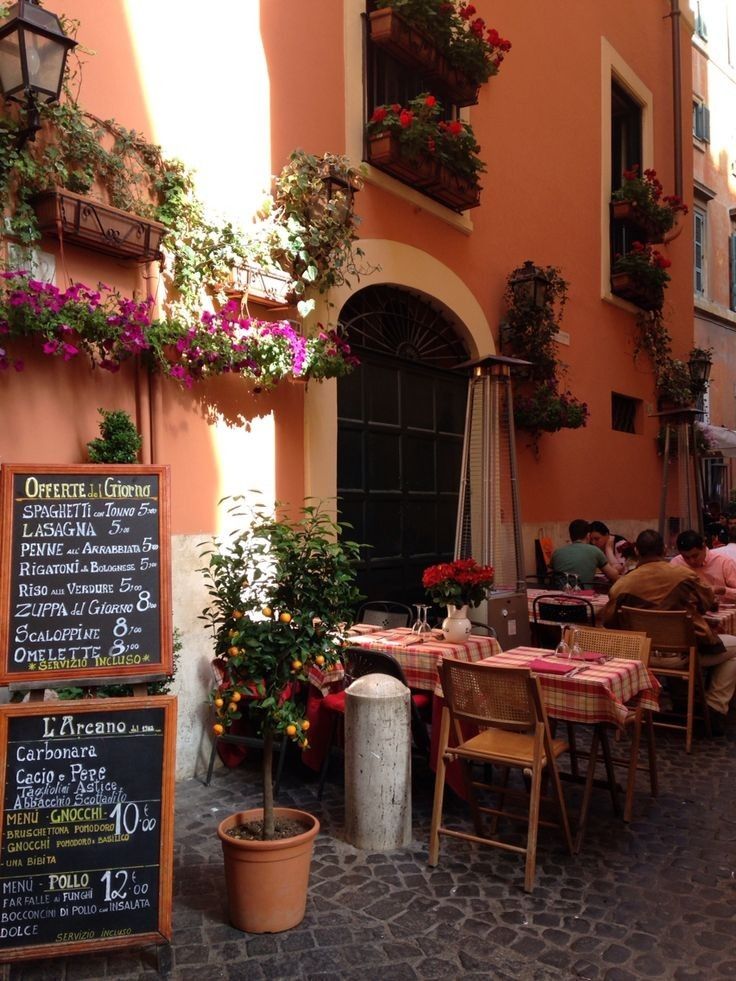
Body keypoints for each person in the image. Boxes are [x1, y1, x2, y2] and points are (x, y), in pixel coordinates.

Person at [604, 529, 736, 735]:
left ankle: (683, 701)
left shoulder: (622, 584)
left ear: (637, 551)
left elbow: (610, 621)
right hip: (684, 654)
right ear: (664, 549)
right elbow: (707, 603)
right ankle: (715, 707)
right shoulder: (684, 576)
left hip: (642, 656)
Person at [670, 529, 736, 601]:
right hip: (689, 609)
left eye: (695, 556)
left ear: (704, 547)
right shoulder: (676, 563)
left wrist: (722, 590)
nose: (691, 561)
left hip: (722, 609)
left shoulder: (724, 562)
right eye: (686, 557)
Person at [551, 519, 620, 588]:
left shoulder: (557, 552)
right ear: (588, 535)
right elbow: (614, 576)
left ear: (571, 536)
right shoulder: (595, 550)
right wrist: (609, 549)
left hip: (559, 595)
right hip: (584, 596)